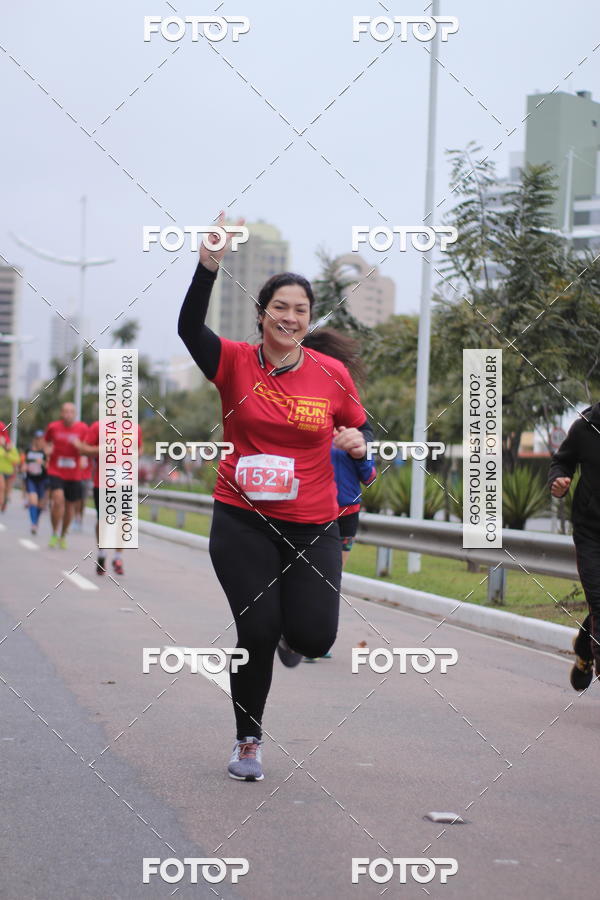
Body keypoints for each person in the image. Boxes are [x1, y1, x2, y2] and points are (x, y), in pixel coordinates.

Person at [178, 211, 373, 782]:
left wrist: (360, 445)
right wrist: (207, 266)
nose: (290, 317)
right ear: (262, 314)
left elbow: (363, 431)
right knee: (256, 631)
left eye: (301, 311)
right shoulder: (235, 362)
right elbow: (191, 328)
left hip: (313, 522)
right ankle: (248, 739)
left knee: (315, 637)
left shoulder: (331, 373)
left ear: (309, 320)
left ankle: (294, 632)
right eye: (280, 307)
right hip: (242, 519)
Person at [301, 330, 377, 663]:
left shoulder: (353, 411)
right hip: (302, 508)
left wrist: (360, 451)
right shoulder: (296, 404)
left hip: (345, 512)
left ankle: (317, 637)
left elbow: (369, 473)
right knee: (300, 574)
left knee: (331, 577)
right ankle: (292, 631)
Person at [549, 403, 600, 691]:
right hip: (592, 532)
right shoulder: (585, 427)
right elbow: (562, 461)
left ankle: (583, 647)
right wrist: (558, 480)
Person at [74, 421, 143, 575]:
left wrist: (136, 454)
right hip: (103, 482)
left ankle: (118, 557)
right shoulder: (98, 427)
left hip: (126, 481)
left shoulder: (135, 428)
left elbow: (139, 448)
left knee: (124, 519)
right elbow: (84, 449)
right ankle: (102, 553)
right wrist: (100, 449)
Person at [44, 402, 88, 549]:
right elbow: (47, 443)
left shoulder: (82, 428)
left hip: (74, 473)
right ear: (61, 413)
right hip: (56, 470)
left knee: (70, 508)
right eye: (65, 411)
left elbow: (86, 448)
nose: (68, 414)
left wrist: (81, 450)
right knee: (57, 500)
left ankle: (63, 535)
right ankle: (54, 533)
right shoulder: (53, 427)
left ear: (75, 414)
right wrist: (48, 450)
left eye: (71, 412)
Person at [21, 430, 49, 534]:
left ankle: (36, 521)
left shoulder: (45, 452)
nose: (39, 441)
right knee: (33, 501)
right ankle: (33, 524)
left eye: (41, 439)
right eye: (37, 439)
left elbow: (49, 466)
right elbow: (23, 464)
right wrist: (24, 467)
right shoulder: (28, 451)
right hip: (31, 479)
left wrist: (43, 463)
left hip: (42, 480)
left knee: (40, 505)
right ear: (34, 439)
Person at [0, 425, 21, 512]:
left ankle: (4, 502)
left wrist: (7, 454)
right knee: (1, 487)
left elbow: (17, 459)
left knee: (6, 491)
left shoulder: (10, 446)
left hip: (9, 471)